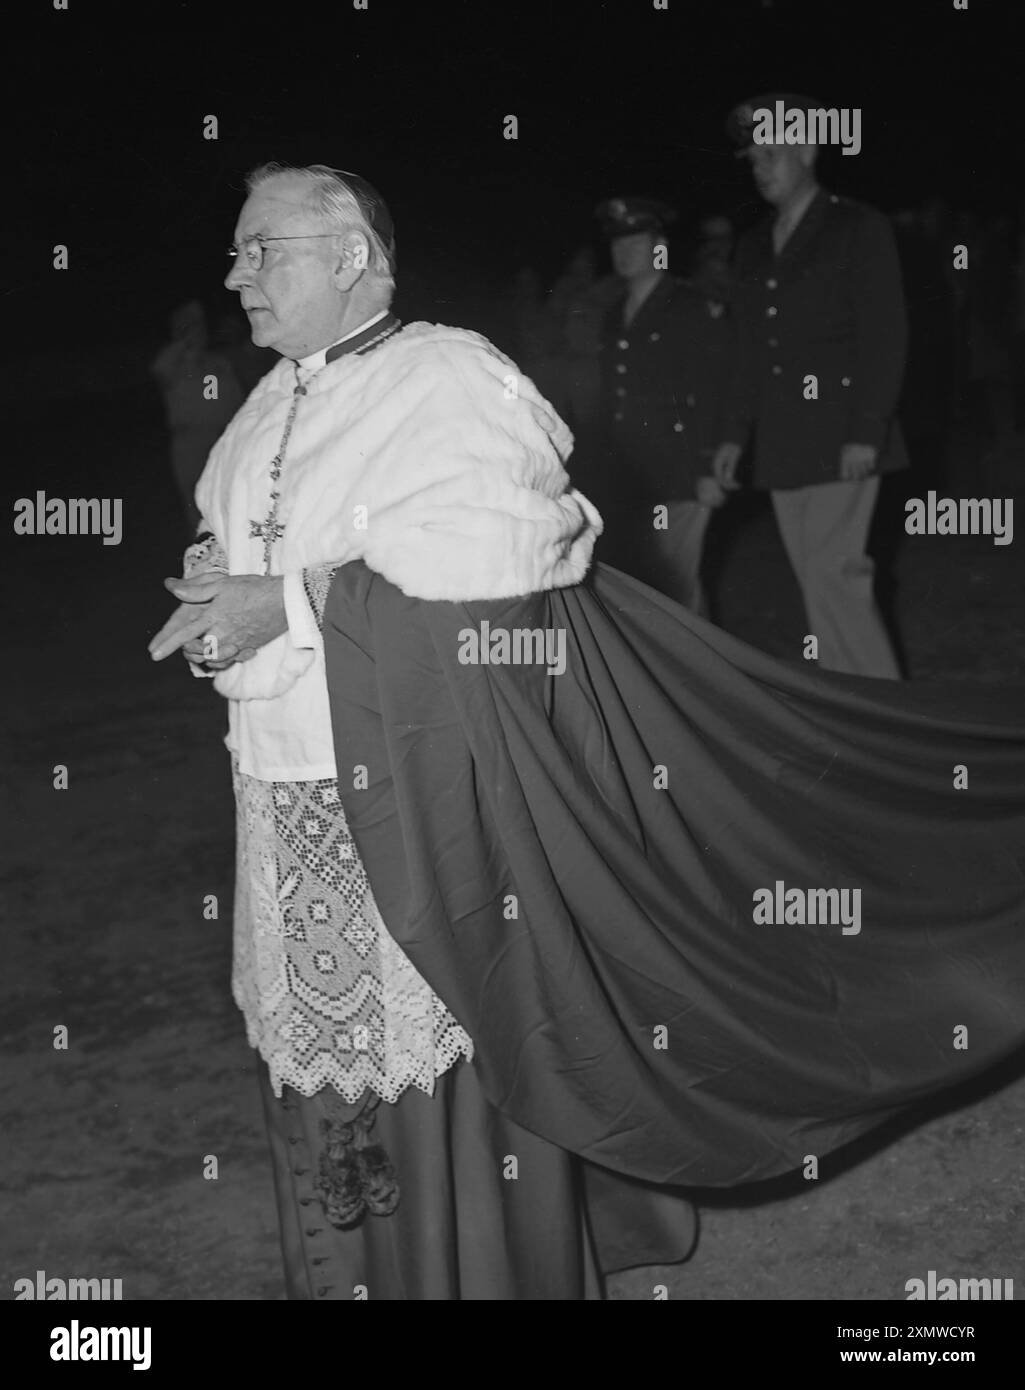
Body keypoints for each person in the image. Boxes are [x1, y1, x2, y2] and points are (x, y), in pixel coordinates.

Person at [149, 162, 1025, 1303]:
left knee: (436, 1067)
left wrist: (297, 601)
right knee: (327, 1069)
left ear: (350, 255)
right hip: (280, 792)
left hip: (417, 793)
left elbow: (503, 573)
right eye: (236, 252)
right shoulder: (259, 409)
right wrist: (225, 612)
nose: (236, 275)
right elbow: (249, 565)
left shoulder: (449, 378)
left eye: (260, 248)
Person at [714, 92, 907, 678]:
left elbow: (885, 336)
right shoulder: (753, 246)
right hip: (783, 440)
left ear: (807, 149)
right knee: (817, 583)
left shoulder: (856, 226)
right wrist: (733, 434)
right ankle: (854, 708)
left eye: (771, 152)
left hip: (842, 434)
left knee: (836, 577)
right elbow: (751, 352)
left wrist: (866, 433)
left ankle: (886, 718)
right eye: (752, 157)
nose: (759, 166)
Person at [593, 196, 731, 613]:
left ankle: (702, 675)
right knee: (651, 590)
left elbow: (715, 391)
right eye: (618, 243)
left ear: (660, 246)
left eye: (636, 241)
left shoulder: (690, 308)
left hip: (681, 472)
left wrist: (709, 467)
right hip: (633, 476)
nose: (624, 251)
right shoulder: (617, 313)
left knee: (676, 589)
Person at [150, 300, 245, 533]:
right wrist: (184, 340)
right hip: (189, 442)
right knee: (196, 502)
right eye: (188, 326)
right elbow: (159, 370)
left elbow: (235, 400)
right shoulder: (172, 365)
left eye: (199, 327)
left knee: (227, 498)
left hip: (221, 439)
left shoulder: (218, 363)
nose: (196, 332)